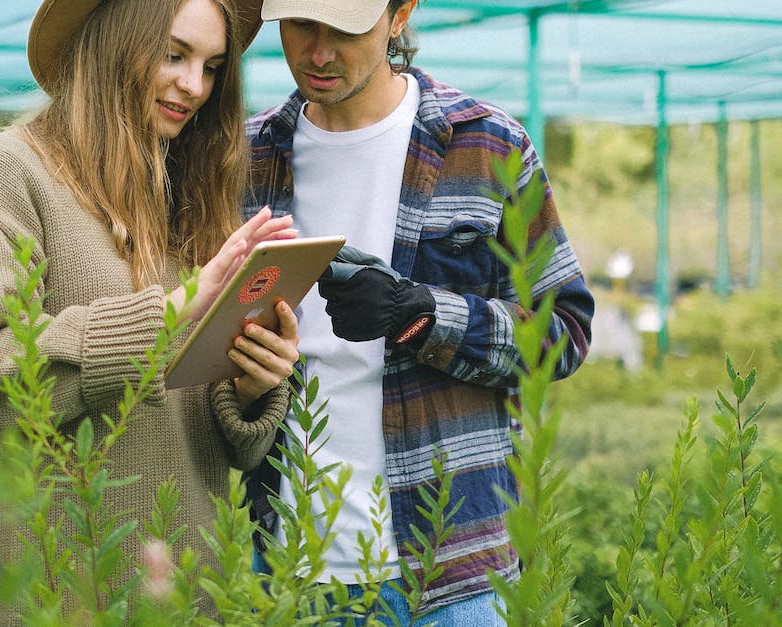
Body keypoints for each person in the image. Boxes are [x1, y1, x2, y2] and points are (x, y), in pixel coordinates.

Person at [0, 0, 296, 622]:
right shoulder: (9, 172)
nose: (194, 85)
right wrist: (175, 312)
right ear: (113, 41)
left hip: (186, 597)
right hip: (51, 596)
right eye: (174, 54)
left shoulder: (185, 197)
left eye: (212, 66)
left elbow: (189, 429)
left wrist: (250, 387)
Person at [242, 0, 595, 623]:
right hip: (289, 566)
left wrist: (421, 316)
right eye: (302, 26)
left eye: (344, 29)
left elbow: (562, 332)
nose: (319, 52)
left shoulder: (488, 146)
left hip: (451, 570)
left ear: (400, 13)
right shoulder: (244, 158)